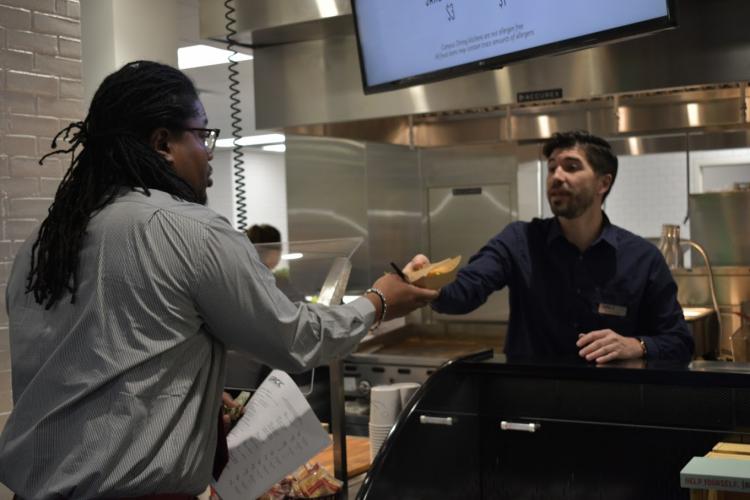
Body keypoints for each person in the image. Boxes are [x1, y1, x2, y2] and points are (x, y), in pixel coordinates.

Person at [0, 61, 437, 499]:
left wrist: (194, 394)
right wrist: (380, 301)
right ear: (162, 143)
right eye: (203, 134)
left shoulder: (42, 246)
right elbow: (296, 338)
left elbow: (99, 367)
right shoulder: (189, 230)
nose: (210, 152)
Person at [408, 130, 693, 364]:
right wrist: (426, 282)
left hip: (610, 408)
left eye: (571, 167)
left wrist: (637, 345)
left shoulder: (642, 258)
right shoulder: (519, 240)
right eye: (552, 168)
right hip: (529, 408)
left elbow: (679, 341)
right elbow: (464, 293)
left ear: (603, 183)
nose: (557, 176)